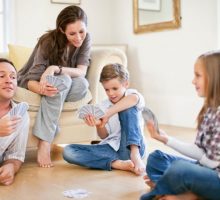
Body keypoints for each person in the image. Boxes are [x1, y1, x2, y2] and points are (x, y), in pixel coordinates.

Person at [17, 5, 91, 168]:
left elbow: (81, 72)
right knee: (63, 81)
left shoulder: (86, 38)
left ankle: (55, 100)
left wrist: (54, 69)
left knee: (82, 85)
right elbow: (29, 80)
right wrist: (43, 88)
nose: (79, 37)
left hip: (64, 81)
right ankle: (45, 141)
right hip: (33, 80)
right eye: (72, 33)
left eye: (82, 31)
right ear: (62, 30)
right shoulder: (48, 41)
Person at [140, 51, 220, 200]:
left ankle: (163, 191)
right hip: (206, 170)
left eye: (198, 75)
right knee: (156, 158)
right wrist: (165, 139)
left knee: (181, 169)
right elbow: (200, 152)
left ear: (214, 77)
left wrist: (190, 169)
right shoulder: (210, 110)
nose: (193, 81)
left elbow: (211, 162)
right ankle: (182, 191)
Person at [63, 63, 146, 175]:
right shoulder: (102, 106)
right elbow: (104, 136)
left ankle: (134, 155)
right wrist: (99, 125)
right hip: (111, 149)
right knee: (68, 151)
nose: (111, 93)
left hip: (133, 148)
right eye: (107, 90)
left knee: (127, 109)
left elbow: (133, 100)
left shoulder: (131, 95)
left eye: (115, 88)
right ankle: (117, 164)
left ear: (126, 84)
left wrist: (106, 115)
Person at [0, 58, 29, 185]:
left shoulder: (20, 114)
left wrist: (11, 166)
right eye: (1, 76)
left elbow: (16, 155)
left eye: (13, 77)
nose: (9, 80)